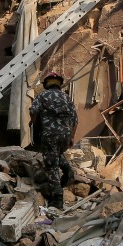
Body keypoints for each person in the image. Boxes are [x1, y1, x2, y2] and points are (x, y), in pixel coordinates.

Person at [28, 71, 78, 209]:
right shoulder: (68, 98)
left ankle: (57, 199)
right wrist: (72, 137)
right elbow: (75, 120)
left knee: (51, 166)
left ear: (46, 84)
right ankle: (68, 170)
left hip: (50, 135)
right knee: (55, 154)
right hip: (65, 135)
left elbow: (33, 111)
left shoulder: (42, 96)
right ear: (59, 84)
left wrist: (32, 122)